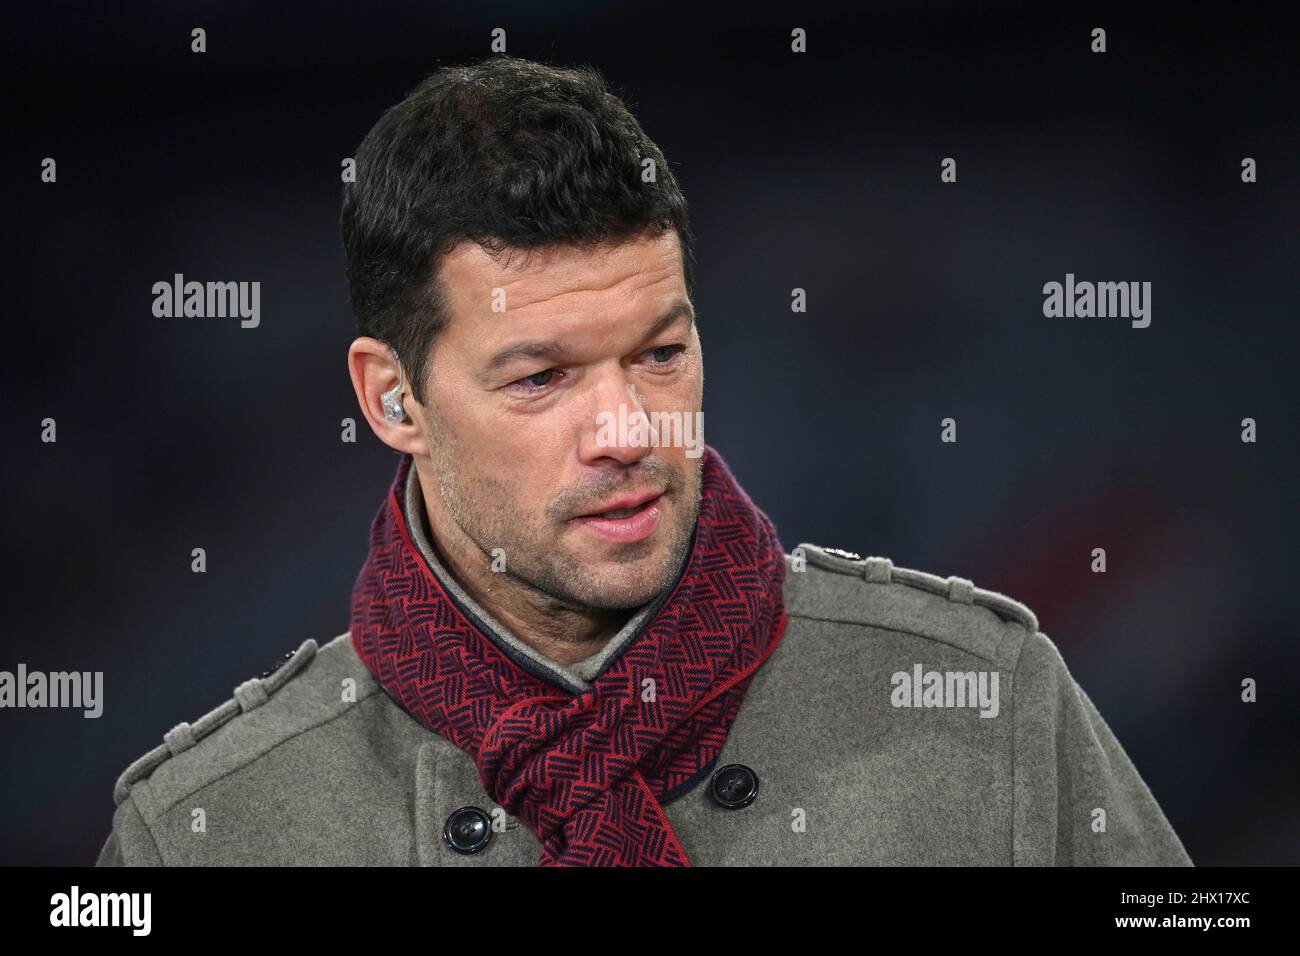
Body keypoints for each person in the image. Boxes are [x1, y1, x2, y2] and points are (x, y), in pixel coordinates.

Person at [96, 54, 1191, 867]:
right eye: (541, 378)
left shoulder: (993, 703)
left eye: (660, 353)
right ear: (394, 398)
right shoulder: (204, 829)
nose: (632, 429)